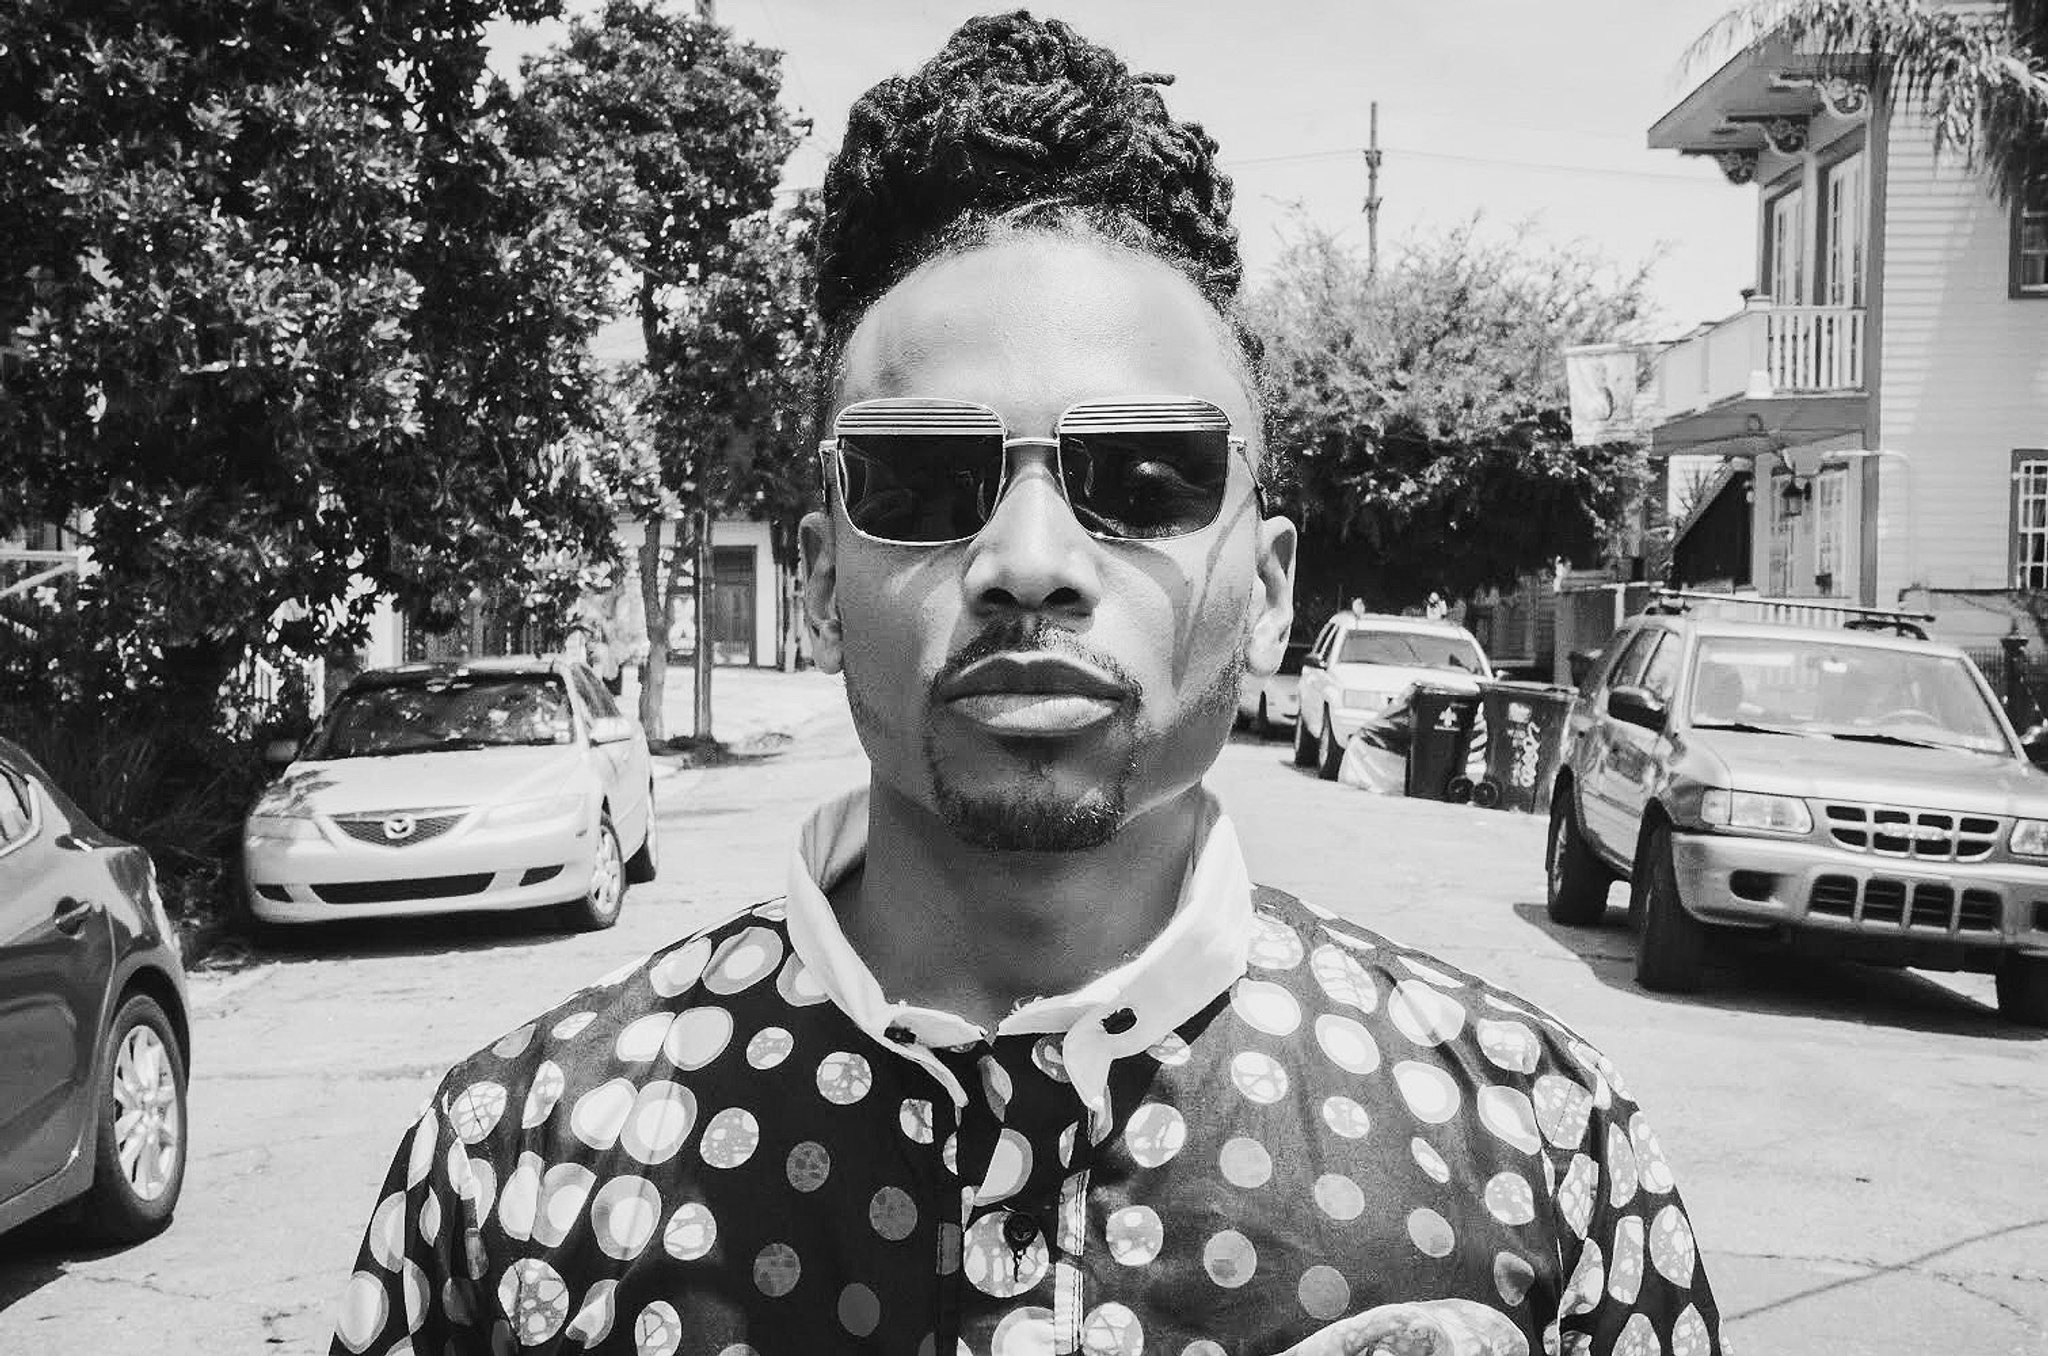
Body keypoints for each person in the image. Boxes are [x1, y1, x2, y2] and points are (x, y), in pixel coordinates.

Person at [329, 15, 1722, 1356]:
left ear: (1275, 587)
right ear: (819, 582)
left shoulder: (1538, 1157)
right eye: (924, 480)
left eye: (1147, 478)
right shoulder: (514, 1173)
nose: (1030, 560)